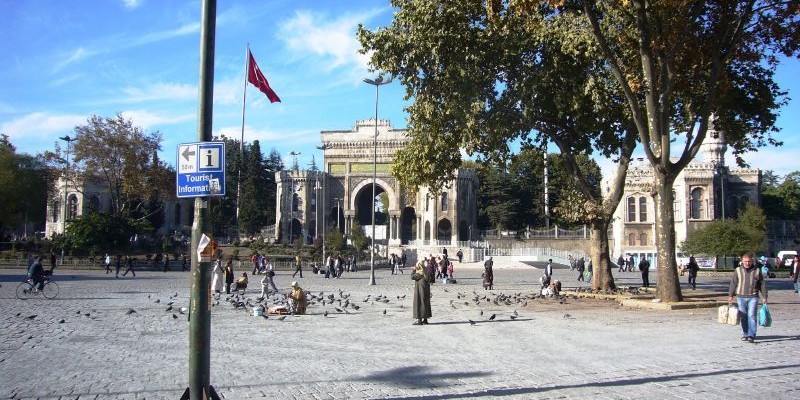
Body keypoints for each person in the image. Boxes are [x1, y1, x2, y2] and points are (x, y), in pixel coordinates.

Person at [728, 253, 768, 343]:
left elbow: (762, 284)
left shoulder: (757, 271)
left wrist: (764, 296)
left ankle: (751, 334)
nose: (747, 263)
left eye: (749, 261)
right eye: (745, 261)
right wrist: (730, 295)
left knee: (752, 315)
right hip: (741, 297)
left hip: (753, 296)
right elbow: (733, 283)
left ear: (752, 261)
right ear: (742, 261)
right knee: (743, 316)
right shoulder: (738, 270)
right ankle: (745, 333)